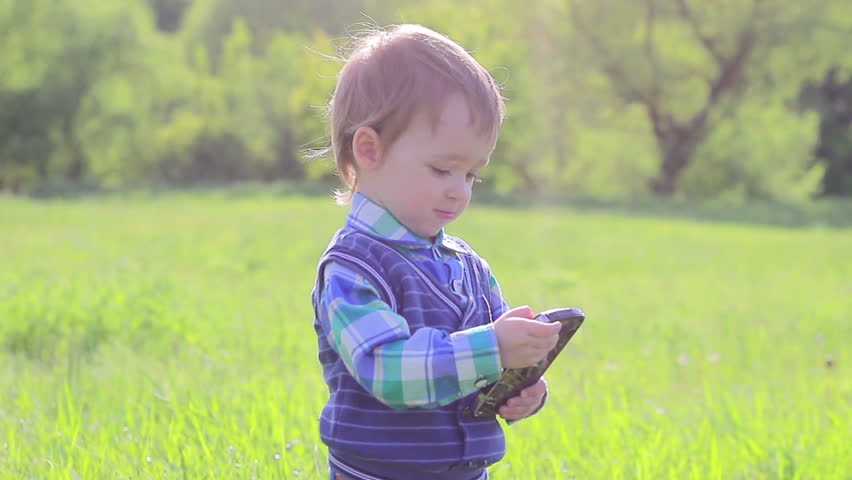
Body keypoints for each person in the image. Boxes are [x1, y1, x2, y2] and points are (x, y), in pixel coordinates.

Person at [311, 24, 562, 480]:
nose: (459, 191)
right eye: (443, 169)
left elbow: (487, 364)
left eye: (471, 176)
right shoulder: (354, 268)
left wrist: (521, 387)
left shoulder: (469, 267)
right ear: (369, 150)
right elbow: (388, 371)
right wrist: (494, 346)